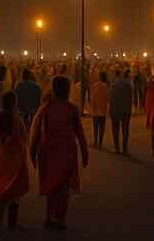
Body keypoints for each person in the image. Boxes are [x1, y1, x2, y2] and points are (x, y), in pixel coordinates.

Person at [29, 76, 89, 230]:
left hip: (48, 151)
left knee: (50, 186)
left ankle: (49, 217)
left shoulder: (46, 108)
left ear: (54, 90)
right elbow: (79, 133)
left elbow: (35, 132)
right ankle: (61, 218)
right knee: (63, 187)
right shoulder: (72, 109)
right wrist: (84, 152)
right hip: (66, 152)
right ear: (68, 90)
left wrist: (32, 152)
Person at [0, 90, 30, 232]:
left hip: (2, 158)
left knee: (1, 191)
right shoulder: (16, 117)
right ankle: (12, 223)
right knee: (14, 191)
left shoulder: (1, 116)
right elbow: (24, 136)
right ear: (14, 102)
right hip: (15, 159)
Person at [108, 68, 133, 155]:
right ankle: (125, 148)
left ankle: (117, 148)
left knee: (115, 130)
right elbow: (131, 99)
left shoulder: (113, 85)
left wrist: (110, 111)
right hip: (126, 110)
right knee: (125, 130)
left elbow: (110, 99)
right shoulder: (128, 85)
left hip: (116, 110)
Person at [88, 71, 109, 148]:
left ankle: (95, 141)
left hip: (95, 109)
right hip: (102, 109)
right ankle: (100, 142)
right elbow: (107, 98)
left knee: (95, 127)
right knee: (102, 127)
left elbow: (92, 98)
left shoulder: (94, 85)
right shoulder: (105, 86)